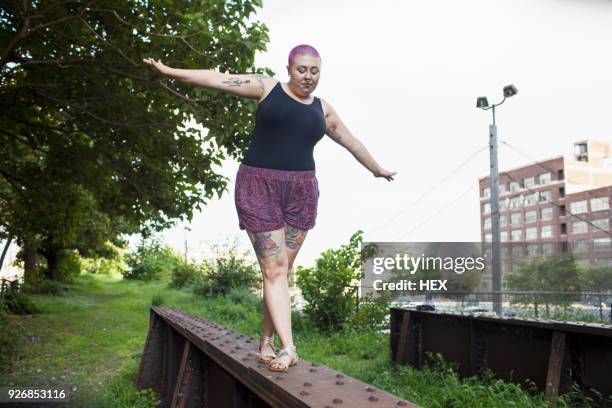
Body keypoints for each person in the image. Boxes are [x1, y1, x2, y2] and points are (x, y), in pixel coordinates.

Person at [143, 44, 396, 372]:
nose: (308, 76)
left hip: (301, 192)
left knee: (278, 272)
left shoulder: (323, 109)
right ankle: (289, 348)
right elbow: (218, 79)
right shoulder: (266, 87)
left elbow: (352, 142)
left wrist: (376, 169)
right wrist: (170, 71)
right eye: (302, 69)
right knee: (275, 270)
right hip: (258, 187)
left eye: (314, 71)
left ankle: (266, 341)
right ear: (289, 68)